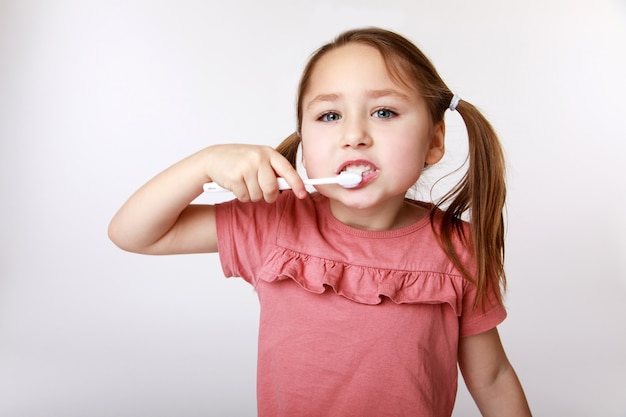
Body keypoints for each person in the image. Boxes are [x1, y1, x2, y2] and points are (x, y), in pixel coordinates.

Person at [108, 27, 532, 417]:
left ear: (435, 140)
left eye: (384, 112)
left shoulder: (457, 249)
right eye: (330, 116)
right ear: (305, 145)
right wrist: (204, 163)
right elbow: (134, 234)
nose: (354, 134)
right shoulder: (274, 223)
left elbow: (492, 378)